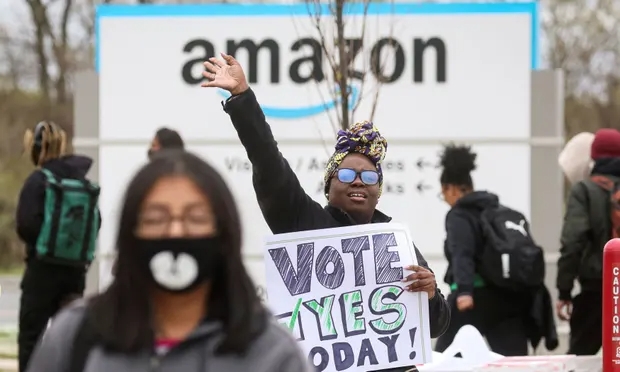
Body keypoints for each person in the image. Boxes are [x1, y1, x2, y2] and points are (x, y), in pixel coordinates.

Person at [201, 54, 450, 371]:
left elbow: (436, 326)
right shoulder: (305, 222)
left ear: (378, 190)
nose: (358, 181)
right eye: (347, 175)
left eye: (369, 177)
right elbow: (267, 160)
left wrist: (429, 295)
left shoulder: (397, 243)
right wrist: (242, 98)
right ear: (329, 186)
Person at [26, 150, 311, 372]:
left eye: (195, 218)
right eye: (156, 218)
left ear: (225, 234)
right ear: (130, 233)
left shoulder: (271, 351)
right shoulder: (74, 336)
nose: (176, 232)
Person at [433, 144, 554, 356]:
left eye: (443, 192)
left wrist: (464, 292)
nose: (445, 198)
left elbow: (463, 253)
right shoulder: (499, 211)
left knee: (445, 358)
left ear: (451, 188)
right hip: (509, 298)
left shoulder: (460, 215)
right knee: (513, 363)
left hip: (474, 298)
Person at [17, 121, 101, 372]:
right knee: (73, 335)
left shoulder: (38, 180)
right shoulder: (81, 180)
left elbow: (25, 225)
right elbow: (96, 222)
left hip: (41, 271)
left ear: (34, 147)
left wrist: (42, 245)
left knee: (31, 337)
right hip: (75, 271)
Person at [557, 128, 620, 355]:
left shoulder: (584, 190)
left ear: (594, 158)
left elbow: (573, 241)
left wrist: (564, 290)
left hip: (596, 292)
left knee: (579, 360)